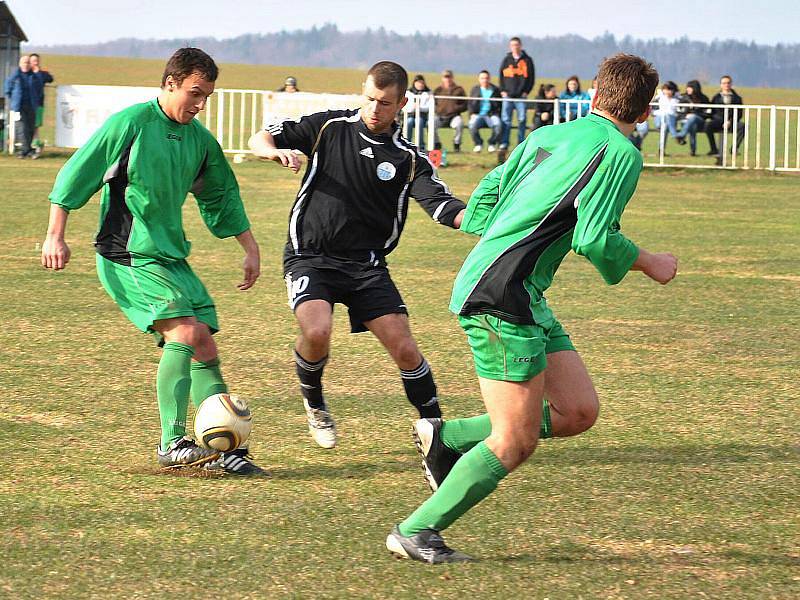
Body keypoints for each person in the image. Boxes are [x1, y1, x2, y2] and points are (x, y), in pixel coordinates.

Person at [386, 53, 678, 564]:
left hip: (523, 292)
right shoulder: (622, 154)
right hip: (502, 295)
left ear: (593, 94)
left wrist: (480, 221)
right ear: (646, 111)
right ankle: (417, 530)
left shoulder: (550, 135)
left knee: (577, 411)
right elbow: (594, 238)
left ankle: (445, 435)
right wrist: (651, 262)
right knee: (516, 441)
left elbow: (490, 194)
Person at [41, 48, 266, 476]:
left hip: (169, 255)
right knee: (184, 330)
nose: (199, 104)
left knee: (204, 344)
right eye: (194, 93)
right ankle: (171, 441)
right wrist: (56, 234)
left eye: (207, 97)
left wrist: (249, 247)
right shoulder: (130, 124)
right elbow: (76, 173)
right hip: (127, 253)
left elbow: (222, 196)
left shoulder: (200, 141)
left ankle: (223, 448)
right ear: (170, 84)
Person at [248, 61, 467, 450]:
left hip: (366, 266)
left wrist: (487, 220)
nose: (374, 108)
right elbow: (261, 137)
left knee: (405, 347)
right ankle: (314, 403)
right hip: (310, 256)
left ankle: (438, 432)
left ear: (401, 104)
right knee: (316, 331)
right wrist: (272, 154)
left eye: (384, 102)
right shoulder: (331, 127)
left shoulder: (409, 158)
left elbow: (443, 208)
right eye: (369, 98)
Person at [498, 36, 535, 151]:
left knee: (522, 119)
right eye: (513, 45)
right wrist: (502, 90)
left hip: (521, 97)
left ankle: (521, 143)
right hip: (508, 96)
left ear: (520, 46)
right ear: (510, 46)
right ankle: (504, 143)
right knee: (506, 120)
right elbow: (501, 76)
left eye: (517, 45)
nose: (515, 47)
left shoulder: (527, 60)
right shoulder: (506, 60)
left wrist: (526, 91)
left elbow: (531, 78)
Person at [706, 75, 745, 165]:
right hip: (718, 121)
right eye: (724, 83)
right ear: (720, 85)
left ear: (731, 84)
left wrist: (730, 121)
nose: (726, 85)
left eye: (728, 83)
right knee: (708, 125)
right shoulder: (716, 97)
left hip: (732, 122)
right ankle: (713, 149)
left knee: (743, 126)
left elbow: (739, 113)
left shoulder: (737, 98)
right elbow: (713, 112)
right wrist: (721, 121)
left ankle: (734, 148)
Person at [4, 54, 36, 158]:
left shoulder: (34, 76)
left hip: (31, 105)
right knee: (22, 128)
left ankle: (27, 150)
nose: (26, 64)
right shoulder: (15, 76)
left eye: (27, 62)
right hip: (19, 106)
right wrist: (14, 99)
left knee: (30, 128)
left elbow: (39, 90)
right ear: (20, 63)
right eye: (24, 62)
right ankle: (25, 151)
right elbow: (7, 89)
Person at [467, 70, 502, 153]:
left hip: (491, 114)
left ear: (489, 79)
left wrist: (497, 113)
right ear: (479, 79)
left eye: (486, 78)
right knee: (471, 125)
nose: (485, 80)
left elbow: (500, 104)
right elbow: (470, 103)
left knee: (498, 124)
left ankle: (492, 143)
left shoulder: (495, 90)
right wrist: (471, 113)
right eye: (482, 78)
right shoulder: (475, 90)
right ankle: (478, 144)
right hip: (477, 114)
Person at [433, 69, 467, 152]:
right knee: (430, 123)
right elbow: (433, 103)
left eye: (449, 77)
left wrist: (456, 108)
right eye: (445, 77)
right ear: (442, 78)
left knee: (459, 124)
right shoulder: (438, 90)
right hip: (440, 117)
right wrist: (438, 110)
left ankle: (457, 144)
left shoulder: (459, 90)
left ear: (452, 78)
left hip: (454, 117)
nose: (447, 79)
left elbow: (465, 104)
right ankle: (437, 143)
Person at [674, 80, 710, 156]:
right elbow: (678, 111)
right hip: (685, 121)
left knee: (693, 117)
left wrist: (695, 114)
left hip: (700, 120)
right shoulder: (683, 98)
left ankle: (682, 135)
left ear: (696, 88)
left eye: (690, 87)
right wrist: (685, 116)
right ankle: (693, 151)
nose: (688, 89)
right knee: (692, 126)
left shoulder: (704, 98)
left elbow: (707, 113)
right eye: (687, 87)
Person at [29, 53, 54, 157]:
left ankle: (36, 145)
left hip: (38, 104)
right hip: (27, 104)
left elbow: (50, 78)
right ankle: (31, 145)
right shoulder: (27, 73)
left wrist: (38, 72)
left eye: (37, 60)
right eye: (33, 60)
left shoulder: (42, 74)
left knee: (36, 126)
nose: (35, 62)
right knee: (27, 125)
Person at [652, 82, 680, 153]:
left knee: (664, 128)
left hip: (670, 122)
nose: (667, 91)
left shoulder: (677, 100)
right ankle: (675, 135)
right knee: (666, 117)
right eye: (665, 89)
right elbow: (652, 111)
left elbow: (678, 112)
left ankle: (661, 150)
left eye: (669, 89)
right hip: (659, 120)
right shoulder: (659, 98)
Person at [405, 74, 431, 149]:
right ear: (414, 83)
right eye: (418, 83)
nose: (420, 85)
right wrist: (413, 107)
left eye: (422, 83)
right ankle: (407, 143)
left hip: (422, 116)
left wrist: (419, 108)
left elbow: (428, 107)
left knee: (419, 122)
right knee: (409, 122)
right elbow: (405, 107)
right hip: (410, 115)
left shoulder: (428, 93)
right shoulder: (408, 93)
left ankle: (421, 145)